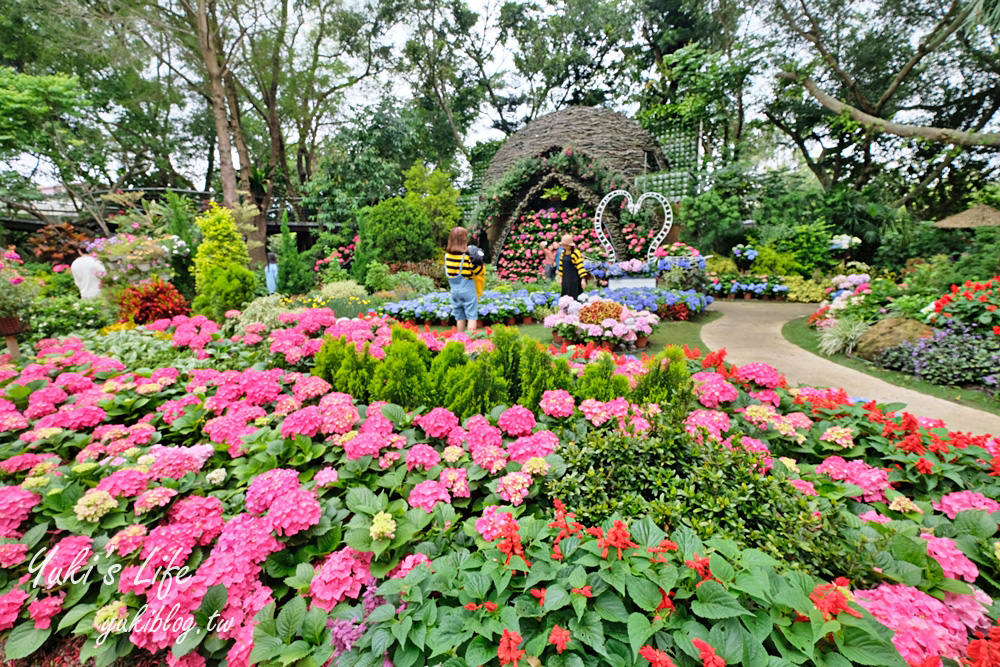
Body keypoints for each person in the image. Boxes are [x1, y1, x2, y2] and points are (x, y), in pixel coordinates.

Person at [444, 226, 484, 333]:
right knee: (471, 316)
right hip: (468, 291)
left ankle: (460, 338)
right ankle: (470, 338)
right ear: (464, 240)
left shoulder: (447, 256)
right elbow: (477, 272)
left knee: (459, 316)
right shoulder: (466, 257)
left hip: (454, 291)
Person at [556, 234, 587, 299]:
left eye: (566, 245)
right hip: (565, 279)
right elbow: (561, 267)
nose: (564, 247)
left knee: (575, 296)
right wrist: (561, 278)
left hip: (574, 280)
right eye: (563, 245)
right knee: (565, 296)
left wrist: (583, 280)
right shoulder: (563, 253)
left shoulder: (575, 253)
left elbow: (581, 267)